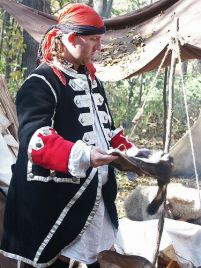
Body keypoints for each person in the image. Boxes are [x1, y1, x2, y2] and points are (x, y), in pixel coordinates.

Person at [0, 3, 139, 268]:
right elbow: (36, 141)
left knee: (99, 258)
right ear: (72, 39)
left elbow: (105, 130)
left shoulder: (92, 80)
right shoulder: (40, 82)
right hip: (55, 202)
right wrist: (85, 155)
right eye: (94, 40)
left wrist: (133, 154)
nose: (99, 47)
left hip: (94, 198)